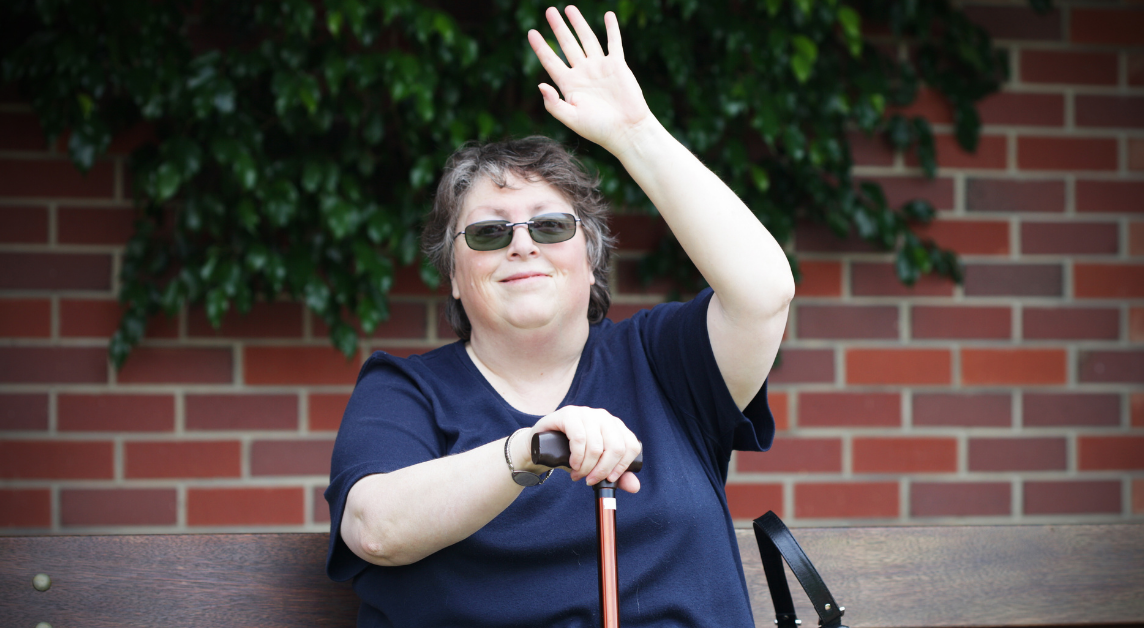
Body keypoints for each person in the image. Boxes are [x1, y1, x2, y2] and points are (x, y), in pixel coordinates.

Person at [325, 6, 794, 626]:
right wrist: (534, 448)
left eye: (550, 226)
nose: (522, 244)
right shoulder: (407, 392)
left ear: (591, 256)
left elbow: (764, 293)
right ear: (455, 277)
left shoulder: (663, 361)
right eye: (489, 233)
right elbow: (375, 528)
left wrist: (635, 133)